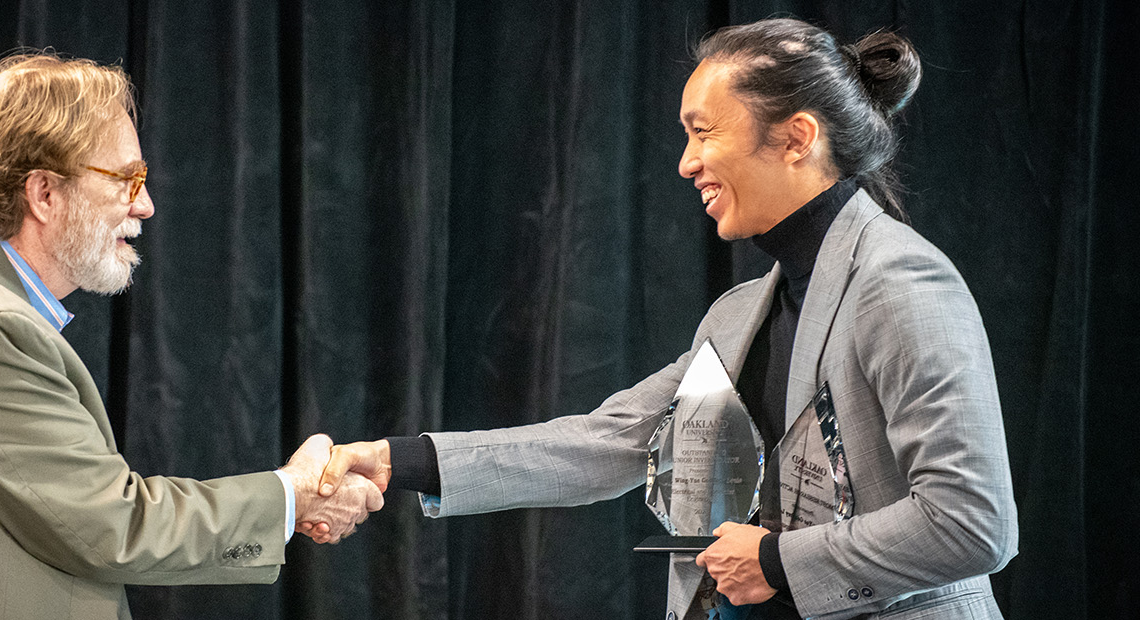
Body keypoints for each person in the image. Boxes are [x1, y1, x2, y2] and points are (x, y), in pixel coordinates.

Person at [311, 18, 1018, 620]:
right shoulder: (738, 314)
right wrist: (396, 459)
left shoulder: (900, 281)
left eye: (702, 132)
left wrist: (777, 561)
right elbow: (607, 442)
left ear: (797, 137)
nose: (685, 163)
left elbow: (973, 522)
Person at [0, 53, 381, 620]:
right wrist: (292, 494)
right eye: (127, 180)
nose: (146, 205)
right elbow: (114, 527)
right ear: (44, 193)